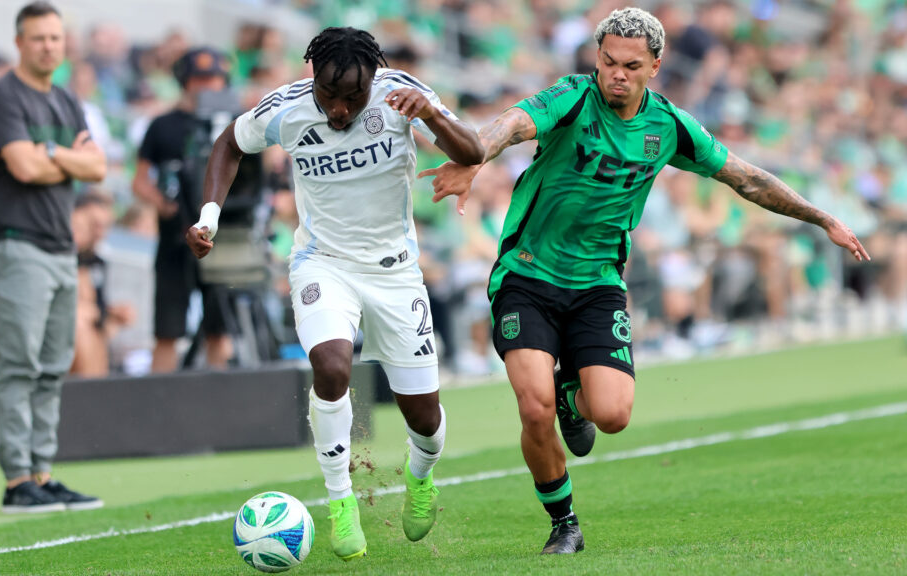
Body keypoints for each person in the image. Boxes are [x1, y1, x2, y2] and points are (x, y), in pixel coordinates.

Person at [420, 7, 870, 555]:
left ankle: (572, 392)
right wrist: (473, 155)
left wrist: (822, 217)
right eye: (608, 61)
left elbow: (746, 179)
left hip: (599, 282)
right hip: (527, 275)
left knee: (611, 415)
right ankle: (564, 523)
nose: (616, 73)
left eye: (631, 65)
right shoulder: (572, 96)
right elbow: (511, 124)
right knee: (531, 405)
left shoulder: (670, 126)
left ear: (655, 66)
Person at [187, 27, 484, 560]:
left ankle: (421, 479)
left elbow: (474, 150)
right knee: (331, 365)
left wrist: (432, 116)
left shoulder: (402, 95)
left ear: (374, 79)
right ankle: (340, 503)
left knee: (425, 419)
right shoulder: (286, 108)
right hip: (322, 264)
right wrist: (208, 216)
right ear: (312, 78)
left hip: (395, 274)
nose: (341, 110)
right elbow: (228, 144)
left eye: (354, 97)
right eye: (331, 96)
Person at [0, 1, 106, 514]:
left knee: (52, 367)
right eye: (38, 38)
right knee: (20, 366)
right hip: (15, 243)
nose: (48, 46)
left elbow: (97, 168)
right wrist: (60, 159)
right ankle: (16, 482)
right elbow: (23, 169)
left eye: (55, 38)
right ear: (20, 42)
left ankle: (43, 473)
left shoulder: (66, 99)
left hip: (58, 247)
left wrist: (49, 153)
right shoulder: (1, 96)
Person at [132, 47, 234, 372]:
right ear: (185, 82)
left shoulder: (233, 124)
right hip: (174, 238)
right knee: (167, 331)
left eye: (215, 79)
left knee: (220, 330)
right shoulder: (163, 125)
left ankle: (222, 401)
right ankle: (159, 408)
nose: (208, 86)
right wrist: (160, 203)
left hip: (222, 238)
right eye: (200, 78)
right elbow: (139, 180)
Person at [71, 191, 135, 377]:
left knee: (92, 331)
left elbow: (98, 314)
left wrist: (113, 315)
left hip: (91, 339)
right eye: (93, 225)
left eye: (104, 226)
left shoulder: (96, 262)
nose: (98, 232)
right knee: (82, 328)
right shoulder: (61, 258)